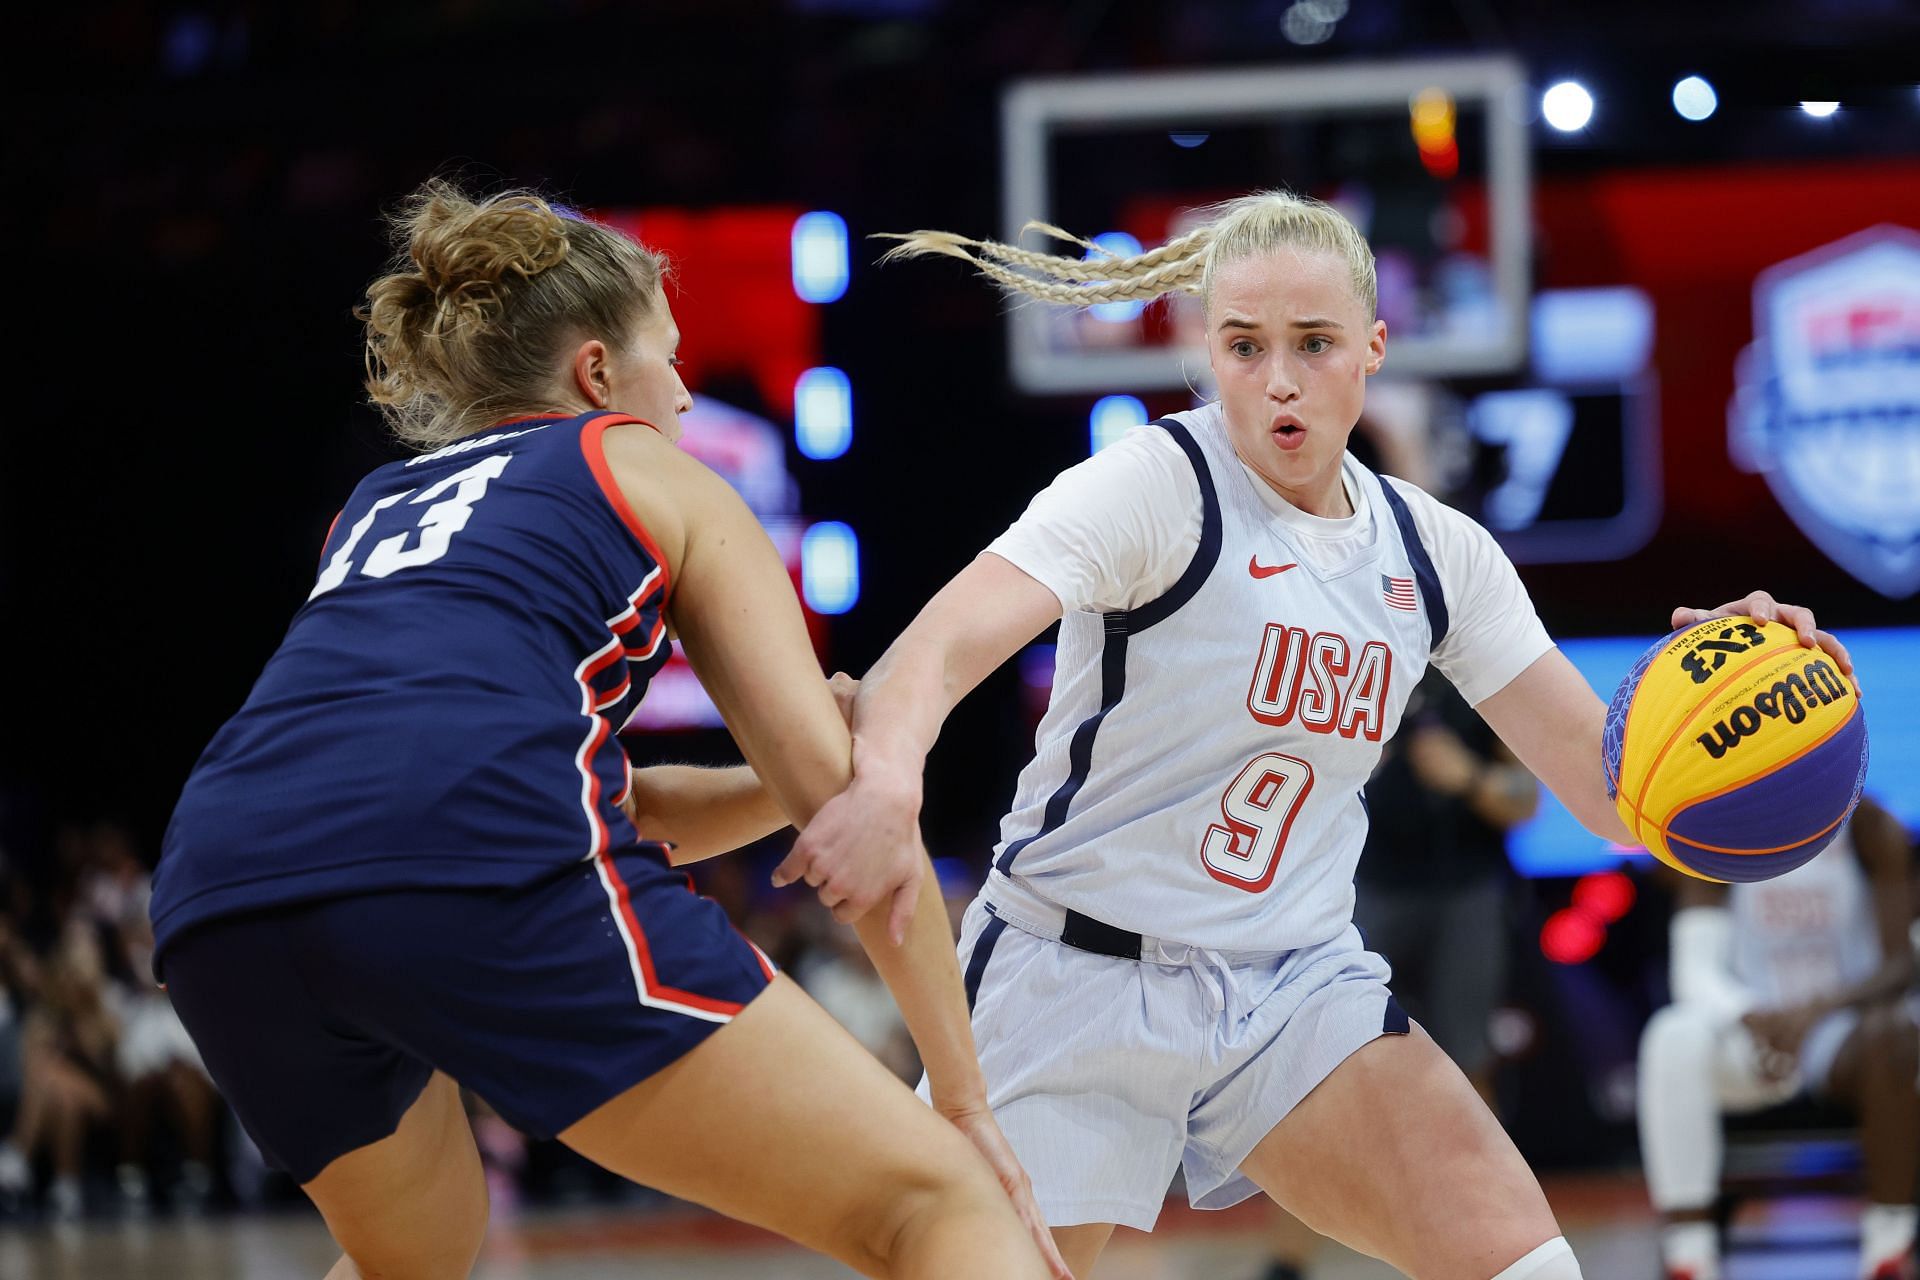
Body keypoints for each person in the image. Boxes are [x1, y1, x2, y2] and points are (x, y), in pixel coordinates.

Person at [777, 191, 1857, 1280]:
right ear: (1207, 350)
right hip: (1071, 972)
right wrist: (886, 782)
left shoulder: (1441, 555)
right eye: (1245, 346)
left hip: (1288, 982)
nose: (1279, 378)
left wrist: (1753, 726)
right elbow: (941, 647)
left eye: (1314, 343)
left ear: (1373, 349)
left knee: (1527, 1264)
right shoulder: (1153, 485)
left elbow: (1612, 789)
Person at [147, 181, 1062, 1280]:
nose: (682, 390)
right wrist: (961, 1095)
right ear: (596, 374)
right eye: (668, 358)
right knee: (939, 1202)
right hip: (458, 850)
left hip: (218, 884)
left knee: (414, 1254)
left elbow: (595, 799)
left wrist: (787, 771)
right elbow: (849, 813)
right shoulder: (646, 466)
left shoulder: (379, 505)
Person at [1636, 795, 1917, 1280]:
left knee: (1898, 1034)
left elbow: (1901, 964)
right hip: (1756, 1033)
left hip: (1847, 1030)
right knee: (1669, 1036)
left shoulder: (1869, 825)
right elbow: (1693, 971)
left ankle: (1889, 1242)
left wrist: (1820, 1009)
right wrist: (1748, 1014)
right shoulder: (1716, 827)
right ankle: (1689, 1248)